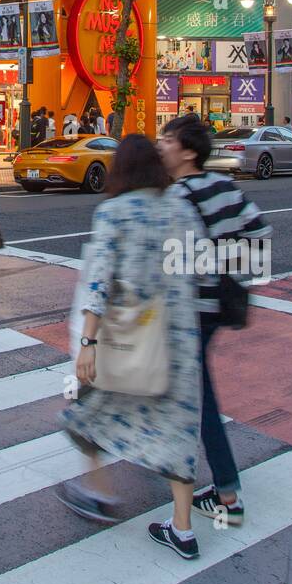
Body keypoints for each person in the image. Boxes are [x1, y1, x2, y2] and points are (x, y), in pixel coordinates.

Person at [59, 134, 203, 559]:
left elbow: (100, 281)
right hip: (177, 337)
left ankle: (97, 488)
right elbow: (199, 264)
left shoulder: (114, 212)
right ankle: (183, 528)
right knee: (179, 429)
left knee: (88, 409)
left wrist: (88, 342)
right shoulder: (180, 207)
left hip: (127, 339)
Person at [158, 115, 271, 529]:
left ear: (187, 150)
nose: (161, 145)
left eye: (167, 139)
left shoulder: (179, 196)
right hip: (217, 308)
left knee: (197, 399)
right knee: (196, 393)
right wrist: (234, 278)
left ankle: (226, 494)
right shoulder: (225, 186)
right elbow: (261, 230)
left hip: (191, 313)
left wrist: (206, 275)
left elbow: (172, 267)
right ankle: (219, 487)